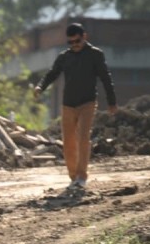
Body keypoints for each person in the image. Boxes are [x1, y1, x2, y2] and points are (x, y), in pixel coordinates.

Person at [33, 22, 118, 190]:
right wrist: (40, 87)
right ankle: (73, 177)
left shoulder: (95, 55)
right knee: (69, 142)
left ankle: (81, 176)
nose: (74, 45)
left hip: (87, 103)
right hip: (68, 105)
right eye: (70, 42)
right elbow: (52, 74)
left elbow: (105, 78)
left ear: (84, 36)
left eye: (77, 41)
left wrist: (111, 101)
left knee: (83, 138)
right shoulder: (64, 57)